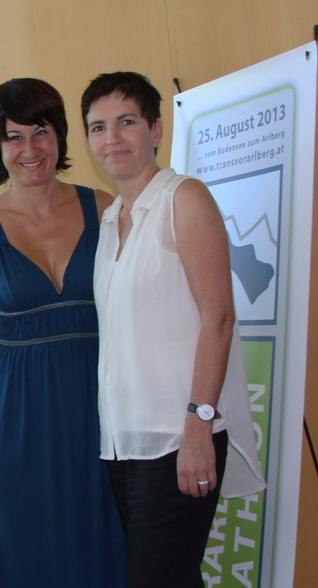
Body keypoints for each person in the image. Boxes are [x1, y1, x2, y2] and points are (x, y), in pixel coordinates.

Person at [81, 71, 266, 587]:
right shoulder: (111, 220)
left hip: (178, 436)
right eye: (98, 127)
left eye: (127, 122)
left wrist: (199, 426)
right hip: (124, 444)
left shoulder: (183, 197)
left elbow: (219, 318)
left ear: (156, 130)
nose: (112, 138)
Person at [0, 78, 125, 586]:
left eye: (41, 131)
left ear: (61, 135)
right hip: (14, 417)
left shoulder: (105, 209)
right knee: (27, 551)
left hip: (101, 406)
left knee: (108, 541)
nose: (30, 149)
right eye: (14, 136)